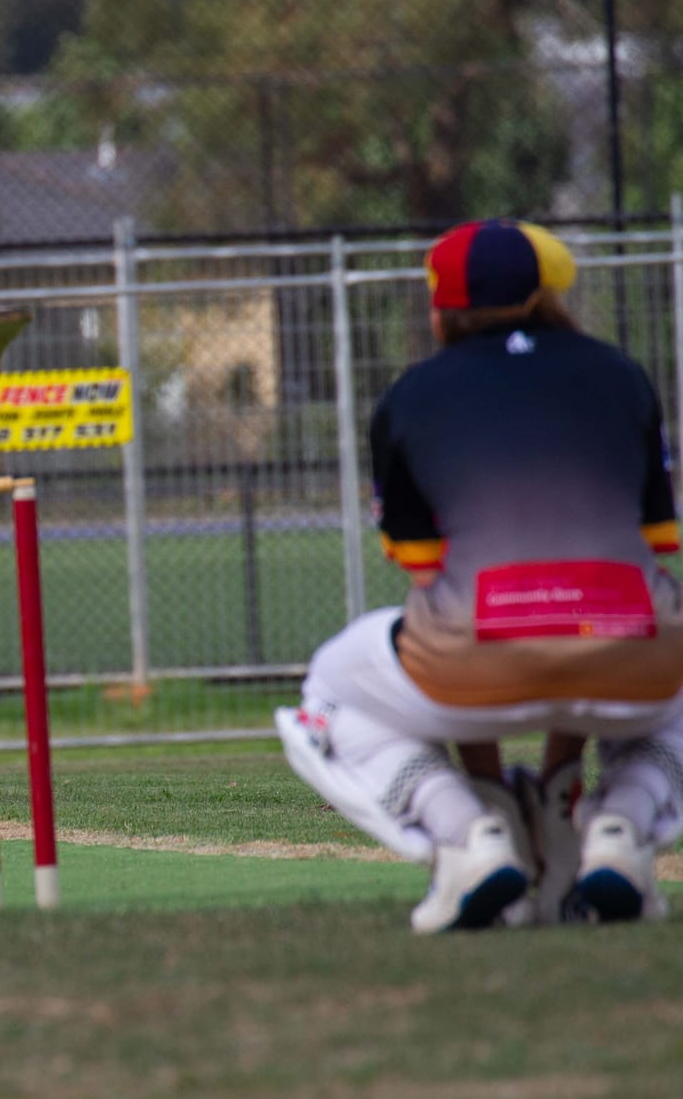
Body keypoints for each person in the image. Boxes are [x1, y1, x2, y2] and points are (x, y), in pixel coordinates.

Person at [278, 218, 683, 930]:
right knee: (642, 635)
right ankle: (617, 826)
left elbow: (432, 573)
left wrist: (490, 780)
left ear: (442, 308)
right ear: (544, 293)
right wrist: (562, 766)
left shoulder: (411, 395)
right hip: (634, 652)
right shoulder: (622, 374)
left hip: (470, 665)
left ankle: (469, 830)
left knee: (328, 692)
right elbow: (655, 543)